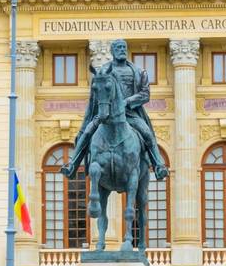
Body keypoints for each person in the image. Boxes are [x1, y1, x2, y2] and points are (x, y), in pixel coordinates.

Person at [62, 39, 169, 180]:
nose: (122, 50)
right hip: (104, 115)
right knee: (87, 133)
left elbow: (145, 94)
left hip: (130, 114)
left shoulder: (138, 71)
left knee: (147, 133)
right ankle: (72, 165)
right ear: (112, 51)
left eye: (124, 47)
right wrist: (92, 117)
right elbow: (94, 98)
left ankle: (158, 165)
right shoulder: (103, 72)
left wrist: (127, 102)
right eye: (118, 48)